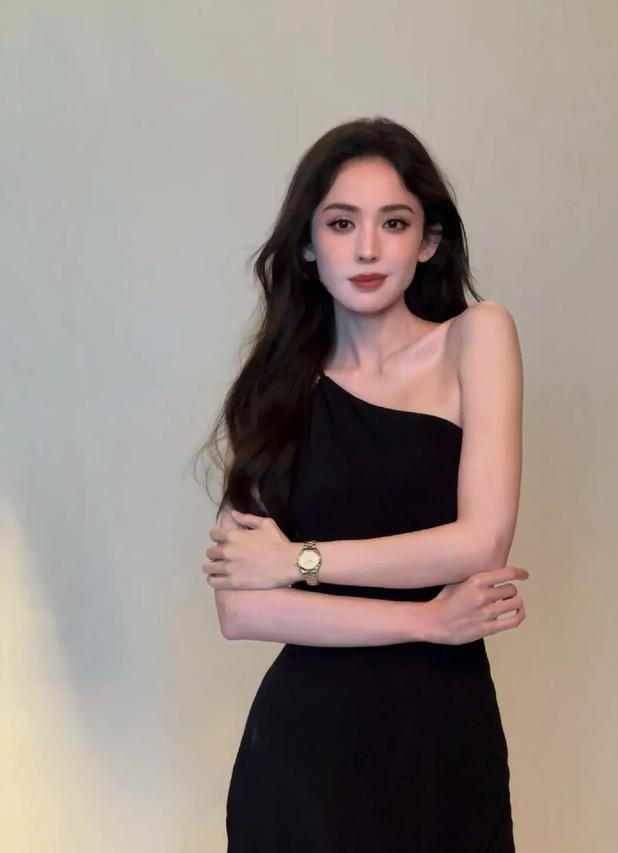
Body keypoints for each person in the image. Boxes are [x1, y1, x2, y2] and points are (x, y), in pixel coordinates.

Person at [194, 116, 529, 852]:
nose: (369, 248)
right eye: (342, 223)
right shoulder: (273, 392)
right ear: (309, 245)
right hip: (302, 757)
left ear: (428, 241)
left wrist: (297, 560)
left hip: (442, 742)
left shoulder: (477, 337)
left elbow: (481, 541)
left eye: (395, 222)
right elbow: (242, 609)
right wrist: (426, 621)